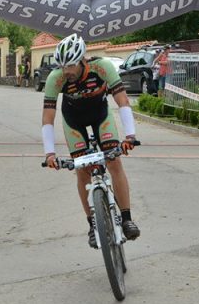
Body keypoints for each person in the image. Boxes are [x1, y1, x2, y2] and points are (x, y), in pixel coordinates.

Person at [41, 33, 140, 248]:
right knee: (81, 168)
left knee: (114, 161)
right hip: (73, 121)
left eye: (71, 66)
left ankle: (126, 218)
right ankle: (92, 225)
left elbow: (122, 100)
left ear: (82, 60)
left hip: (100, 116)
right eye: (63, 66)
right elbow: (48, 118)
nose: (67, 71)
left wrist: (130, 136)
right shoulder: (55, 78)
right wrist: (49, 153)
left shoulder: (102, 67)